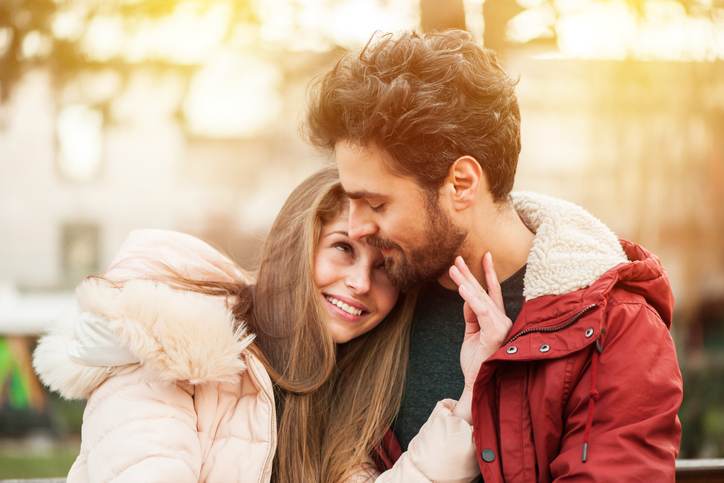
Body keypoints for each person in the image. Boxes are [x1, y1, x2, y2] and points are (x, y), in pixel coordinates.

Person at [306, 30, 684, 481]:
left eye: (377, 203)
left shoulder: (615, 328)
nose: (357, 227)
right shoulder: (375, 299)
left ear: (461, 183)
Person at [33, 167, 497, 483]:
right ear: (300, 245)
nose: (359, 282)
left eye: (384, 267)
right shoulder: (169, 349)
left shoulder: (345, 397)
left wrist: (475, 394)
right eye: (342, 248)